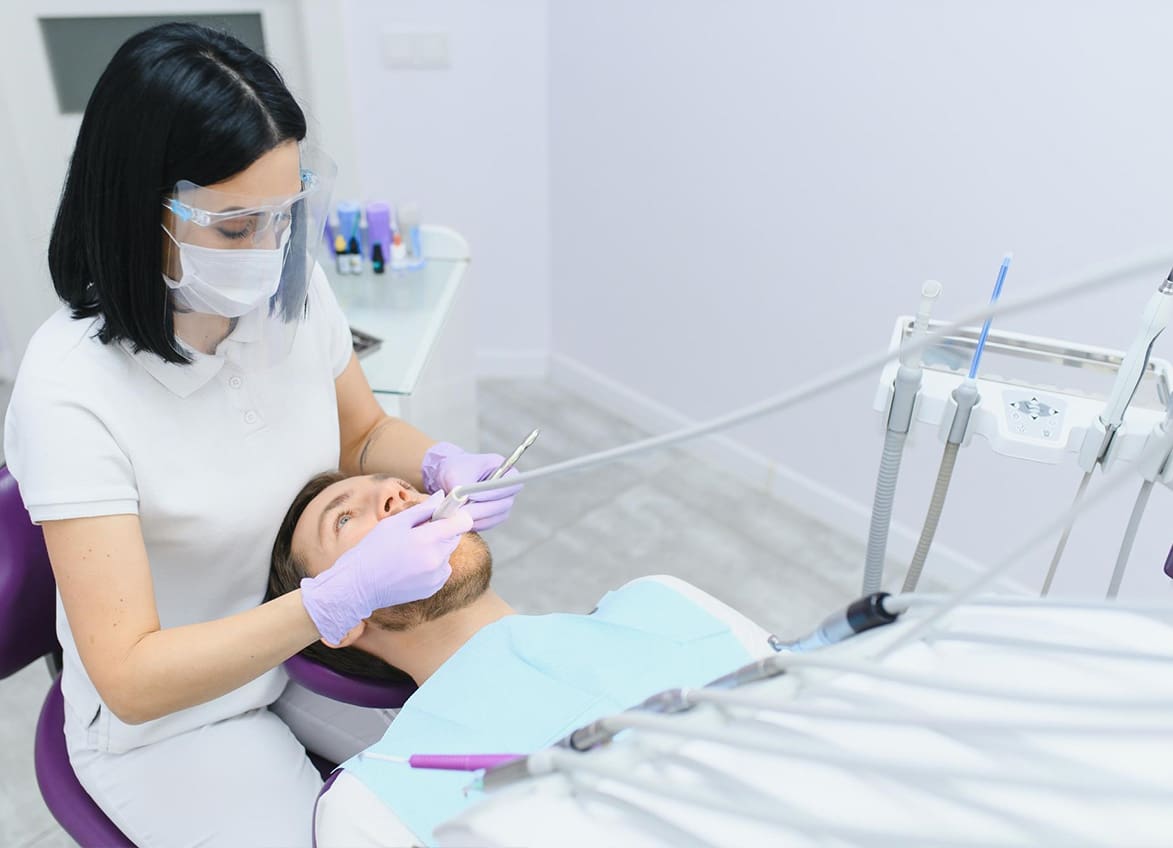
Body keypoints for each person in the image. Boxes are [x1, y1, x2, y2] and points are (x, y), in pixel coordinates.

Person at [1, 23, 519, 848]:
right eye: (238, 228)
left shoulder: (288, 291)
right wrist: (331, 600)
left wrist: (431, 458)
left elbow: (365, 431)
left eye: (284, 216)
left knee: (498, 796)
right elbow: (132, 677)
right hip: (176, 720)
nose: (272, 251)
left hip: (297, 659)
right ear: (140, 211)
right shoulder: (71, 392)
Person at [267, 471, 775, 846]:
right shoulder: (374, 803)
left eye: (394, 484)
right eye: (345, 517)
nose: (396, 494)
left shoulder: (666, 603)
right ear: (338, 617)